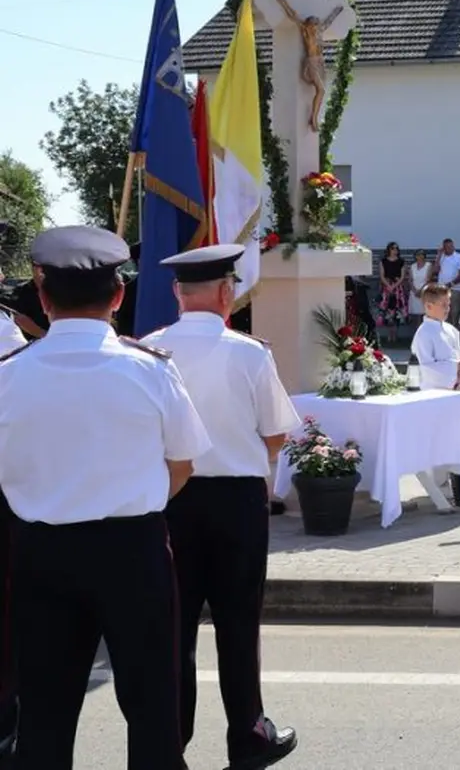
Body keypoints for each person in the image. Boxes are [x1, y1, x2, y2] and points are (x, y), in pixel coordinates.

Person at [0, 226, 211, 770]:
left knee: (44, 714)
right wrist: (133, 501)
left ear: (43, 299)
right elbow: (184, 464)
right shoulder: (151, 370)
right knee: (152, 712)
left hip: (40, 552)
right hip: (132, 550)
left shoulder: (8, 377)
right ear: (118, 296)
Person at [146, 243, 300, 767]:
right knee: (239, 624)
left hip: (170, 500)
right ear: (224, 292)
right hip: (235, 501)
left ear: (176, 293)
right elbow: (276, 435)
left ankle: (170, 743)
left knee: (174, 630)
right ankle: (248, 737)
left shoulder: (147, 351)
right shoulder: (249, 353)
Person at [410, 283, 460, 512]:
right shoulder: (423, 334)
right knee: (436, 437)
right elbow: (425, 367)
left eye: (449, 303)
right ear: (428, 305)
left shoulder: (451, 330)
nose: (447, 308)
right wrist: (455, 368)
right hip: (433, 394)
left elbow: (457, 358)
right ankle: (437, 480)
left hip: (452, 392)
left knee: (452, 437)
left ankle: (450, 477)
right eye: (443, 304)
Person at [435, 239, 460, 326]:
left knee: (455, 312)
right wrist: (439, 255)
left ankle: (455, 332)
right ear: (444, 248)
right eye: (447, 247)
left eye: (451, 246)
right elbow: (436, 270)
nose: (450, 248)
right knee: (444, 311)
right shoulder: (441, 256)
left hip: (455, 289)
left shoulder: (459, 257)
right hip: (442, 289)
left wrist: (450, 284)